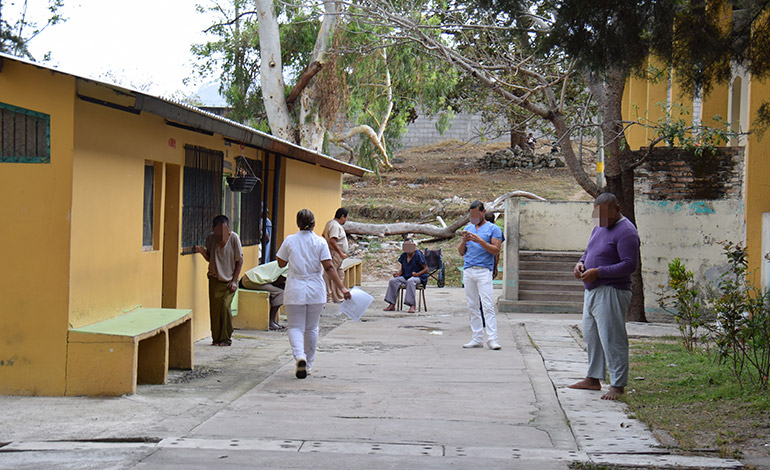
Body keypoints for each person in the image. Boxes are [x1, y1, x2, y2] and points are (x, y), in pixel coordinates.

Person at [569, 192, 640, 400]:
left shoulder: (626, 231)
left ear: (617, 210)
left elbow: (629, 265)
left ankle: (618, 385)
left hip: (612, 290)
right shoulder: (599, 226)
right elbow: (589, 250)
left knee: (612, 337)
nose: (602, 221)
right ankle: (593, 378)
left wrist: (599, 271)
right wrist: (581, 263)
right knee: (592, 335)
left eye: (607, 216)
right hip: (592, 289)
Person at [277, 209, 351, 379]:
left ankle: (299, 356)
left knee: (295, 326)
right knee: (312, 327)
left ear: (297, 223)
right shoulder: (320, 242)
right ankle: (308, 364)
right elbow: (329, 267)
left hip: (295, 288)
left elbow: (280, 263)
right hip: (316, 289)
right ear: (314, 224)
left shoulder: (290, 240)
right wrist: (342, 288)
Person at [458, 201, 503, 350]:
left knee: (487, 304)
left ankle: (492, 339)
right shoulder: (468, 228)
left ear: (483, 212)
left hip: (484, 270)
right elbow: (461, 252)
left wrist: (480, 241)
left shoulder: (494, 229)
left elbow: (496, 250)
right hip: (469, 269)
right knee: (472, 305)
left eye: (476, 214)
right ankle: (477, 337)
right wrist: (464, 241)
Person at [195, 215, 243, 347]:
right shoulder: (211, 238)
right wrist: (202, 252)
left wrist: (234, 281)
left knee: (225, 306)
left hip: (229, 280)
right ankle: (216, 339)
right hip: (215, 279)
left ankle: (226, 338)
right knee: (215, 311)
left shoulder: (234, 238)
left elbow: (239, 261)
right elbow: (210, 257)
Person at [383, 239, 429, 314]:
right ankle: (392, 304)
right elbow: (402, 268)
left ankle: (412, 305)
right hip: (406, 276)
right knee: (393, 281)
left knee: (410, 281)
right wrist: (398, 274)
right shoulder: (404, 255)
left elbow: (426, 269)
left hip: (419, 277)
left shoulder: (418, 254)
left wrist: (417, 274)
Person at [240, 260, 289, 330]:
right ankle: (271, 322)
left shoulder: (286, 263)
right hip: (251, 280)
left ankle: (273, 321)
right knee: (280, 293)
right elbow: (277, 283)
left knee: (278, 291)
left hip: (249, 278)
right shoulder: (290, 267)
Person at [323, 207, 349, 303]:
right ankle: (328, 296)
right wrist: (340, 252)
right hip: (335, 254)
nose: (346, 220)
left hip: (335, 253)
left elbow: (323, 236)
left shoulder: (330, 224)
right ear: (342, 216)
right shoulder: (334, 225)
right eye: (346, 218)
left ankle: (338, 296)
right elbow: (332, 240)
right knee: (330, 275)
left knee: (340, 274)